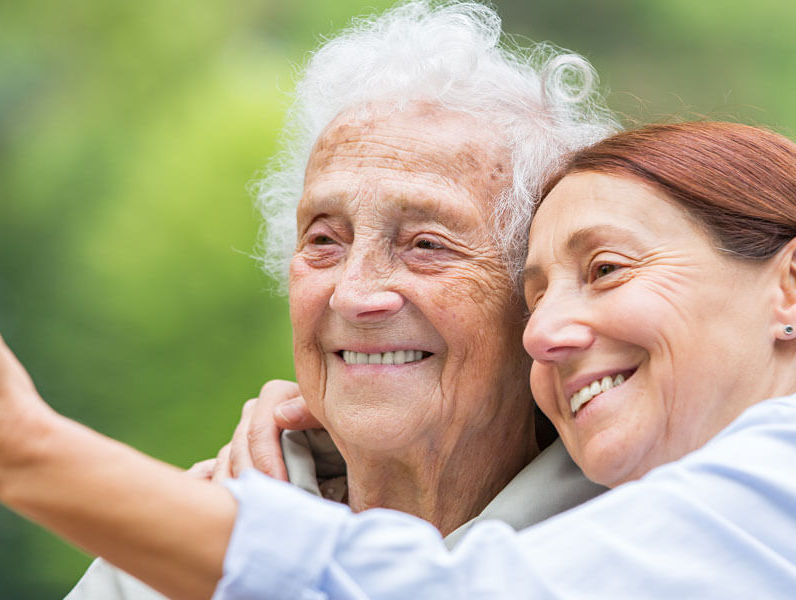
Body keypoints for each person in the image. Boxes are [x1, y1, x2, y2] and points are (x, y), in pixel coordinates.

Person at [0, 119, 796, 598]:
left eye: (607, 270)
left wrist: (16, 446)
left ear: (794, 287)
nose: (550, 330)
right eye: (534, 290)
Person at [65, 2, 621, 596]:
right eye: (325, 240)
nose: (355, 295)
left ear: (541, 296)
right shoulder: (175, 554)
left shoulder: (642, 540)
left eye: (426, 244)